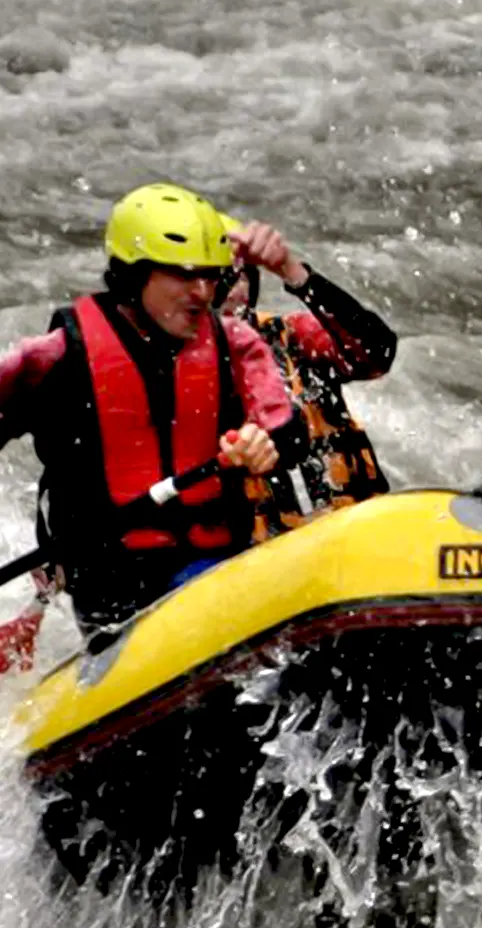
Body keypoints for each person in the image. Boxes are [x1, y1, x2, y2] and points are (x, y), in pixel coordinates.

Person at [0, 183, 298, 633]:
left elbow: (285, 432)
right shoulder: (57, 356)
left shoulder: (235, 344)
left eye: (211, 276)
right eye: (183, 275)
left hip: (213, 562)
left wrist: (265, 446)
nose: (202, 292)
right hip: (110, 583)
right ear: (134, 276)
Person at [215, 213, 396, 541]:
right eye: (221, 277)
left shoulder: (292, 336)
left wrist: (293, 272)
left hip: (355, 529)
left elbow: (377, 354)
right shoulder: (181, 368)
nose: (235, 291)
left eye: (241, 276)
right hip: (264, 557)